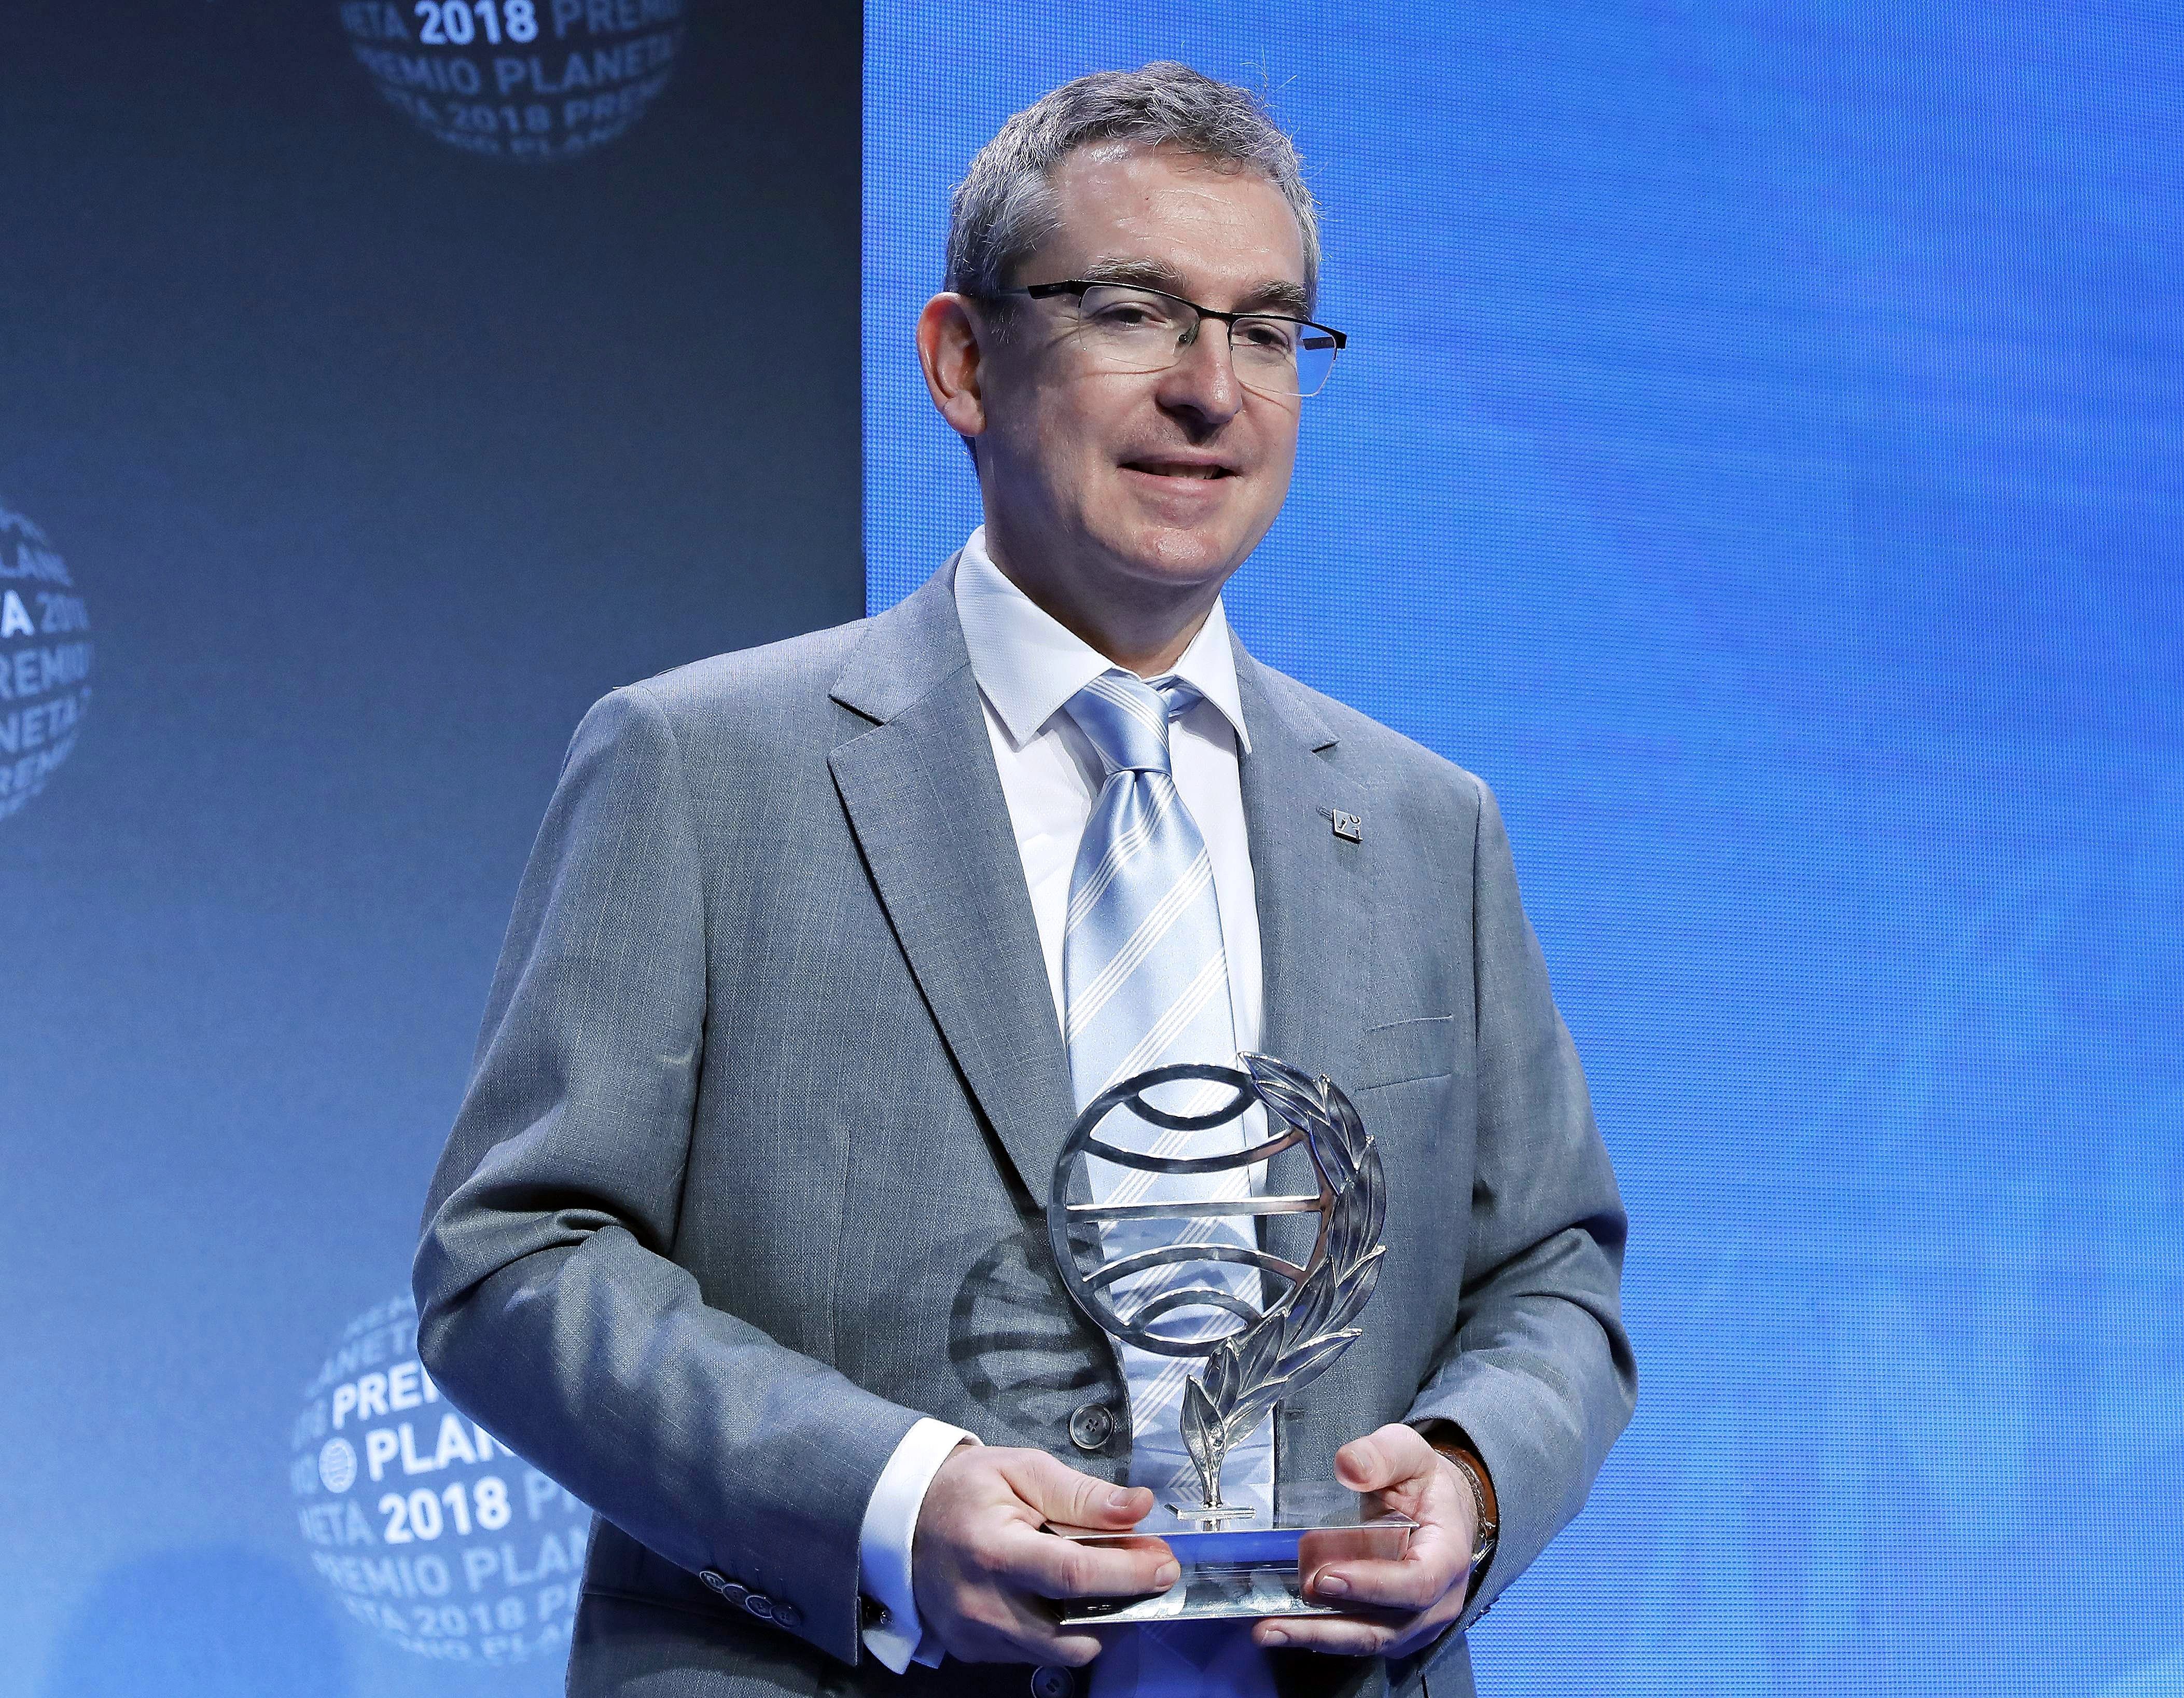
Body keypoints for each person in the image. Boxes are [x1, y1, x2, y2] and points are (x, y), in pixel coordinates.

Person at [415, 62, 1634, 1698]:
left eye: (1266, 331)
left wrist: (1473, 1480)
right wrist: (890, 1502)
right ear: (960, 360)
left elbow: (1550, 1272)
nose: (1209, 390)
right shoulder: (701, 766)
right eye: (1135, 312)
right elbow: (517, 1258)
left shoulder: (1427, 822)